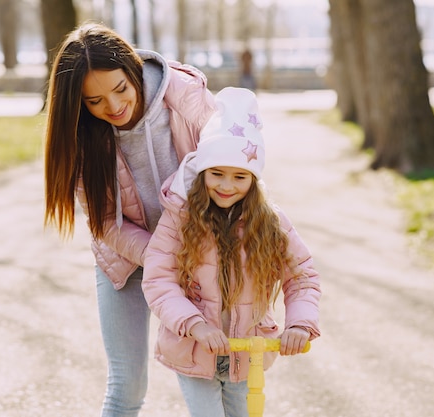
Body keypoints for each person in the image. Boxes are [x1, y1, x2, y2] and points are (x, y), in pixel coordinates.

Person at [43, 22, 216, 417]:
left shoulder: (183, 94)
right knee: (126, 384)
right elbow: (105, 223)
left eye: (120, 89)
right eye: (95, 101)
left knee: (207, 375)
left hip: (198, 254)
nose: (114, 107)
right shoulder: (82, 136)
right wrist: (161, 257)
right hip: (126, 260)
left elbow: (234, 159)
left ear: (133, 69)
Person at [141, 87, 321, 417]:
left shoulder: (270, 222)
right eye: (217, 174)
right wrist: (195, 325)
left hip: (246, 351)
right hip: (195, 346)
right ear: (202, 172)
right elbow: (158, 279)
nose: (226, 186)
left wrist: (299, 324)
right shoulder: (180, 219)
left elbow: (302, 277)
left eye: (240, 176)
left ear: (254, 179)